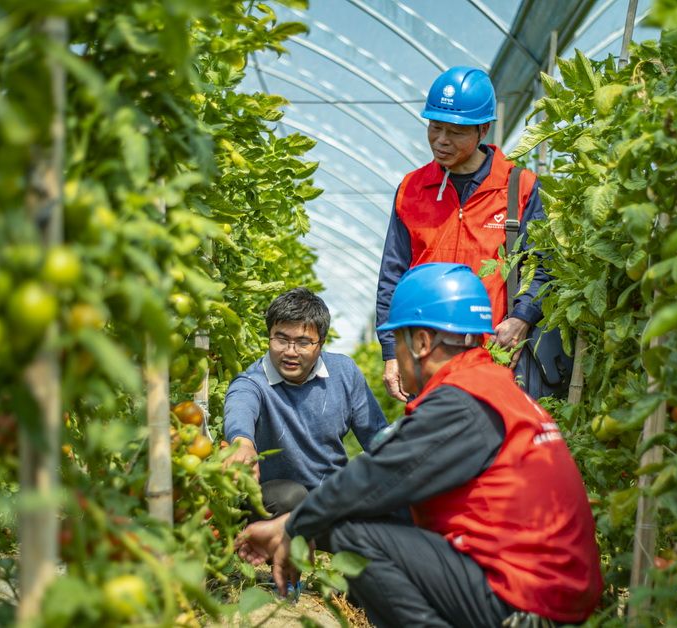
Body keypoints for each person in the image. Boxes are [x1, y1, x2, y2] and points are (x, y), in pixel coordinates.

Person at [236, 264, 603, 627]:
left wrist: (292, 525)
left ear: (422, 343)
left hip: (528, 600)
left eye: (396, 341)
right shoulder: (492, 387)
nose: (394, 354)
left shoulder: (460, 401)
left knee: (354, 534)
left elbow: (375, 476)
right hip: (548, 586)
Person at [377, 65, 564, 403]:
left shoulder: (517, 187)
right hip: (429, 360)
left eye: (455, 131)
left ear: (483, 130)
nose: (441, 140)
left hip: (498, 357)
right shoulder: (412, 189)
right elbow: (393, 275)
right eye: (434, 127)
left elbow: (543, 263)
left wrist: (522, 319)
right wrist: (391, 352)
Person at [222, 287, 388, 517]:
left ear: (321, 343)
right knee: (289, 495)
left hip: (331, 497)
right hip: (276, 502)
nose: (290, 352)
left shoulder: (344, 372)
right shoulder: (253, 382)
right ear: (269, 335)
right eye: (281, 339)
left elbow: (376, 436)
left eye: (303, 342)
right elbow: (239, 407)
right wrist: (242, 442)